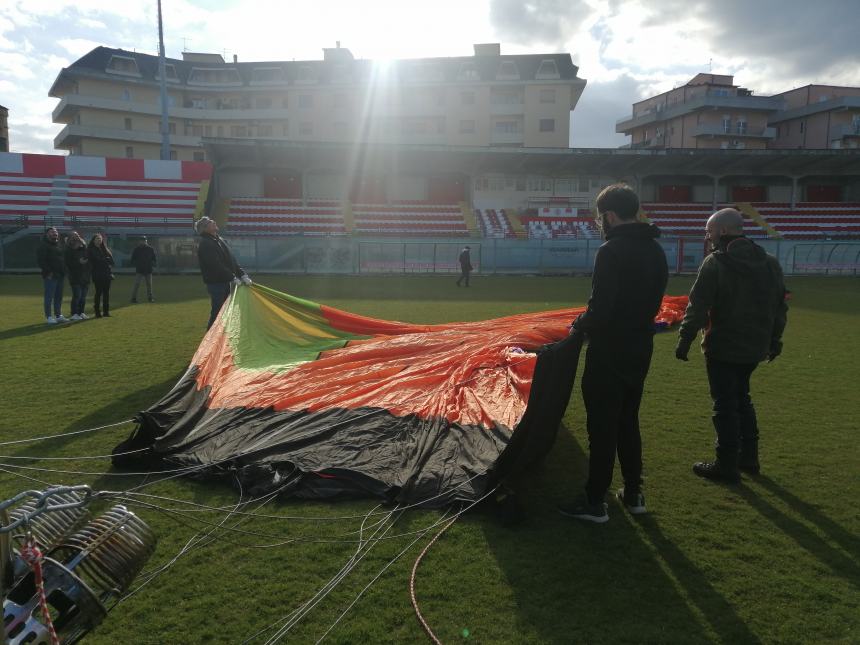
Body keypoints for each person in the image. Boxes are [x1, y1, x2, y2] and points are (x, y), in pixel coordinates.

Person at [558, 184, 668, 523]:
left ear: (609, 215)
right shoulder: (656, 250)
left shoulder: (611, 251)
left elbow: (600, 309)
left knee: (602, 425)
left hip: (609, 350)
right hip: (640, 348)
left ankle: (594, 501)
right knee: (627, 420)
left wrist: (577, 325)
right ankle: (634, 492)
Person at [675, 208, 788, 483]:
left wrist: (685, 338)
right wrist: (774, 339)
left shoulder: (715, 262)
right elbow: (779, 306)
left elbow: (698, 306)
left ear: (723, 231)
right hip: (756, 346)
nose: (707, 235)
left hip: (722, 345)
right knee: (742, 399)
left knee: (724, 404)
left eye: (709, 230)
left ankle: (726, 464)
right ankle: (749, 457)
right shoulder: (769, 261)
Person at [196, 216, 252, 329]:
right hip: (216, 283)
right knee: (217, 311)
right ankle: (209, 339)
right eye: (210, 222)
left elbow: (232, 260)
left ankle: (220, 336)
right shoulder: (205, 243)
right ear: (204, 228)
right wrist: (232, 277)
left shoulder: (220, 240)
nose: (214, 222)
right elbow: (215, 265)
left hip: (226, 281)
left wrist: (242, 274)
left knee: (225, 311)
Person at [36, 227, 69, 324]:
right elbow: (41, 261)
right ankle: (49, 317)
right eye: (52, 232)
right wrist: (48, 272)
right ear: (47, 234)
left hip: (60, 274)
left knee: (58, 297)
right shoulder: (43, 245)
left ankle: (58, 315)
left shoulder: (59, 244)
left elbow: (62, 259)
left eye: (55, 232)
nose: (54, 233)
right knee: (49, 297)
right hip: (51, 275)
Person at [64, 231, 91, 320]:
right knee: (77, 296)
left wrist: (86, 262)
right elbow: (68, 263)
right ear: (70, 238)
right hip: (75, 276)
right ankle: (74, 313)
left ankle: (81, 312)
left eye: (77, 235)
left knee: (83, 297)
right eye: (74, 236)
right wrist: (78, 262)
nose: (76, 237)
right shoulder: (68, 249)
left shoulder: (83, 248)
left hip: (85, 276)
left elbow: (88, 257)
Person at [88, 233, 115, 318]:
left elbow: (112, 261)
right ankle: (97, 312)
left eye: (100, 239)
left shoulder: (105, 249)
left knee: (106, 293)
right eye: (97, 239)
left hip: (106, 274)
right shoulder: (91, 250)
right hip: (97, 274)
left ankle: (106, 312)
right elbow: (97, 261)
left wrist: (106, 260)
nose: (99, 240)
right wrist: (106, 260)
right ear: (93, 240)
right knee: (98, 293)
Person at [130, 236, 157, 303]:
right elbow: (133, 259)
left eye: (144, 240)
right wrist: (137, 264)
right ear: (139, 241)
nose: (143, 241)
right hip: (139, 270)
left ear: (146, 241)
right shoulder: (136, 249)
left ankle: (150, 298)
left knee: (149, 285)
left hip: (148, 269)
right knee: (137, 284)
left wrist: (152, 264)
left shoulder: (151, 249)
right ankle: (133, 298)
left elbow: (154, 259)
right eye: (142, 240)